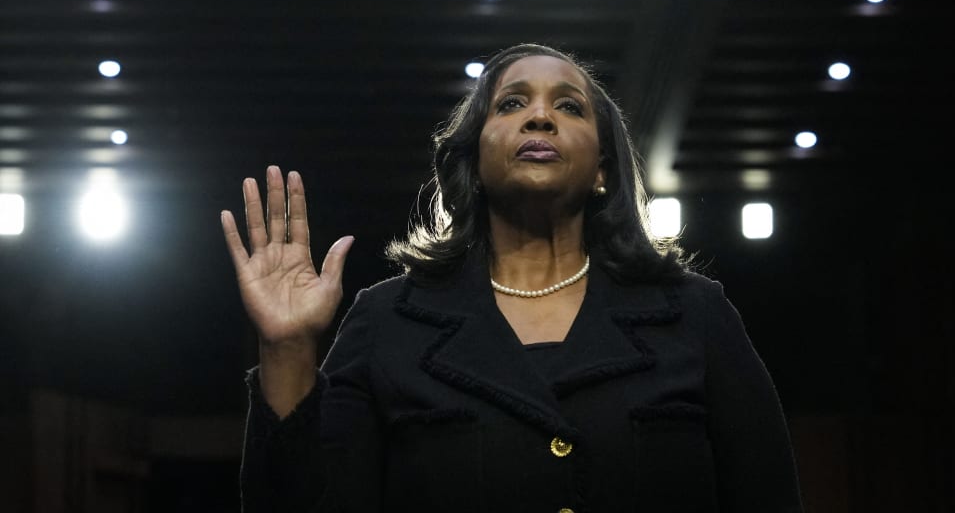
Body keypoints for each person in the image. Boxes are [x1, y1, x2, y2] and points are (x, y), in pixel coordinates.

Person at [220, 43, 803, 512]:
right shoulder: (387, 321)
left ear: (603, 172)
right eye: (511, 104)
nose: (541, 116)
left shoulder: (693, 314)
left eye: (570, 107)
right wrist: (289, 348)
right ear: (473, 162)